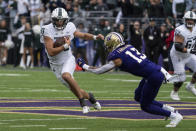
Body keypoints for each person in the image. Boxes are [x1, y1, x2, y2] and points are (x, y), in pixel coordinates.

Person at [77, 32, 183, 127]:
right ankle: (169, 110)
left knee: (145, 106)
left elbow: (99, 70)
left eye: (108, 46)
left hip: (153, 76)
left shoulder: (117, 57)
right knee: (138, 96)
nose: (108, 49)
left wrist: (84, 66)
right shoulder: (128, 46)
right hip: (153, 72)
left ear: (113, 44)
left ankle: (174, 116)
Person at [40, 8, 103, 114]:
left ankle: (82, 103)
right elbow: (51, 52)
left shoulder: (70, 26)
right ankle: (90, 97)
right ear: (52, 19)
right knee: (74, 88)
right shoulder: (47, 29)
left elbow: (82, 35)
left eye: (61, 20)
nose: (59, 23)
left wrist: (95, 37)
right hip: (55, 64)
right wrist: (65, 46)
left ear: (66, 20)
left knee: (66, 75)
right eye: (57, 20)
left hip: (68, 59)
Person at [170, 11, 196, 101]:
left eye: (192, 20)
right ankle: (174, 92)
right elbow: (178, 46)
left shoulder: (195, 28)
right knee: (181, 78)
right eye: (188, 19)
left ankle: (191, 86)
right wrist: (191, 50)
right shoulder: (180, 30)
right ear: (184, 20)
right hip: (178, 56)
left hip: (189, 54)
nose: (190, 21)